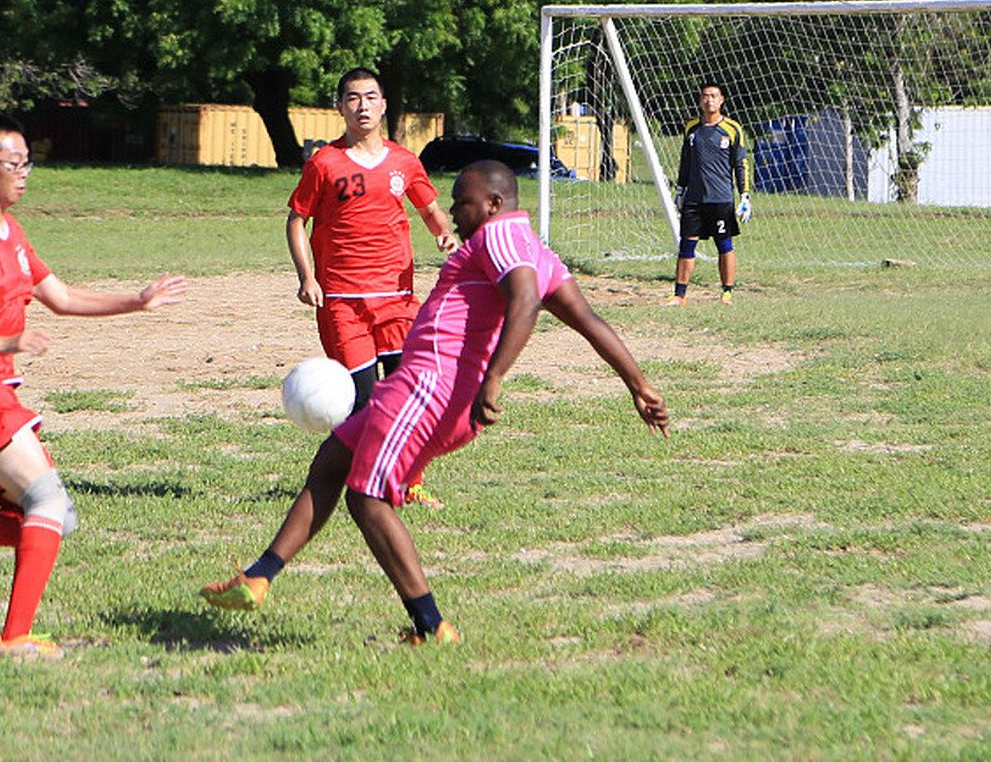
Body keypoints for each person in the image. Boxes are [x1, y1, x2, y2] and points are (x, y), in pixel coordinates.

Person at [203, 160, 670, 644]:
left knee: (368, 498)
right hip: (416, 388)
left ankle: (431, 625)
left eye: (461, 203)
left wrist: (496, 378)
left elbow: (525, 298)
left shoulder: (499, 236)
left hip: (429, 389)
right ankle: (259, 577)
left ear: (492, 204)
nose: (453, 212)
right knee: (331, 461)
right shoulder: (532, 247)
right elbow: (587, 318)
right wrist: (638, 384)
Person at [0, 113, 189, 656]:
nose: (24, 173)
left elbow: (63, 297)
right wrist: (1, 343)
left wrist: (136, 302)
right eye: (14, 163)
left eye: (29, 162)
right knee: (47, 502)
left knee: (51, 518)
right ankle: (14, 637)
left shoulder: (13, 233)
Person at [288, 68, 458, 506]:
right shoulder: (324, 163)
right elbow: (296, 220)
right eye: (352, 98)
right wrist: (307, 277)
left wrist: (444, 233)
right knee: (362, 403)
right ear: (339, 106)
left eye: (370, 97)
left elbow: (431, 208)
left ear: (384, 105)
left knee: (408, 397)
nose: (362, 106)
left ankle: (409, 483)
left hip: (398, 301)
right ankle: (365, 483)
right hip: (343, 301)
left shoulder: (404, 161)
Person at [666, 83, 751, 306]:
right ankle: (680, 294)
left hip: (721, 198)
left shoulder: (732, 129)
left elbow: (741, 163)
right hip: (694, 198)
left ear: (721, 99)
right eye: (705, 96)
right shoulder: (691, 128)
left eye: (713, 96)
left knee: (724, 244)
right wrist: (681, 190)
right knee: (686, 245)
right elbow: (685, 162)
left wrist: (745, 195)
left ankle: (727, 291)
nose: (709, 100)